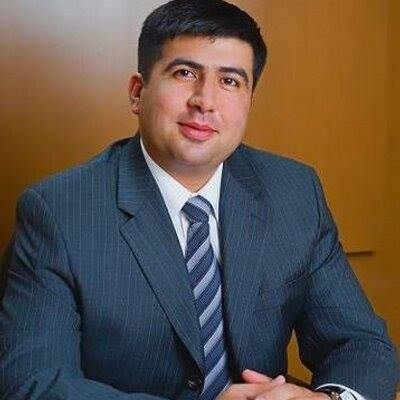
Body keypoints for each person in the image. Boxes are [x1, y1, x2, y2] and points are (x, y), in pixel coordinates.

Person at [0, 0, 398, 399]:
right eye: (185, 73)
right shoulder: (58, 212)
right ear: (137, 92)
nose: (205, 101)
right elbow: (33, 382)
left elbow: (360, 343)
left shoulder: (293, 191)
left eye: (230, 81)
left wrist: (327, 399)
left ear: (249, 100)